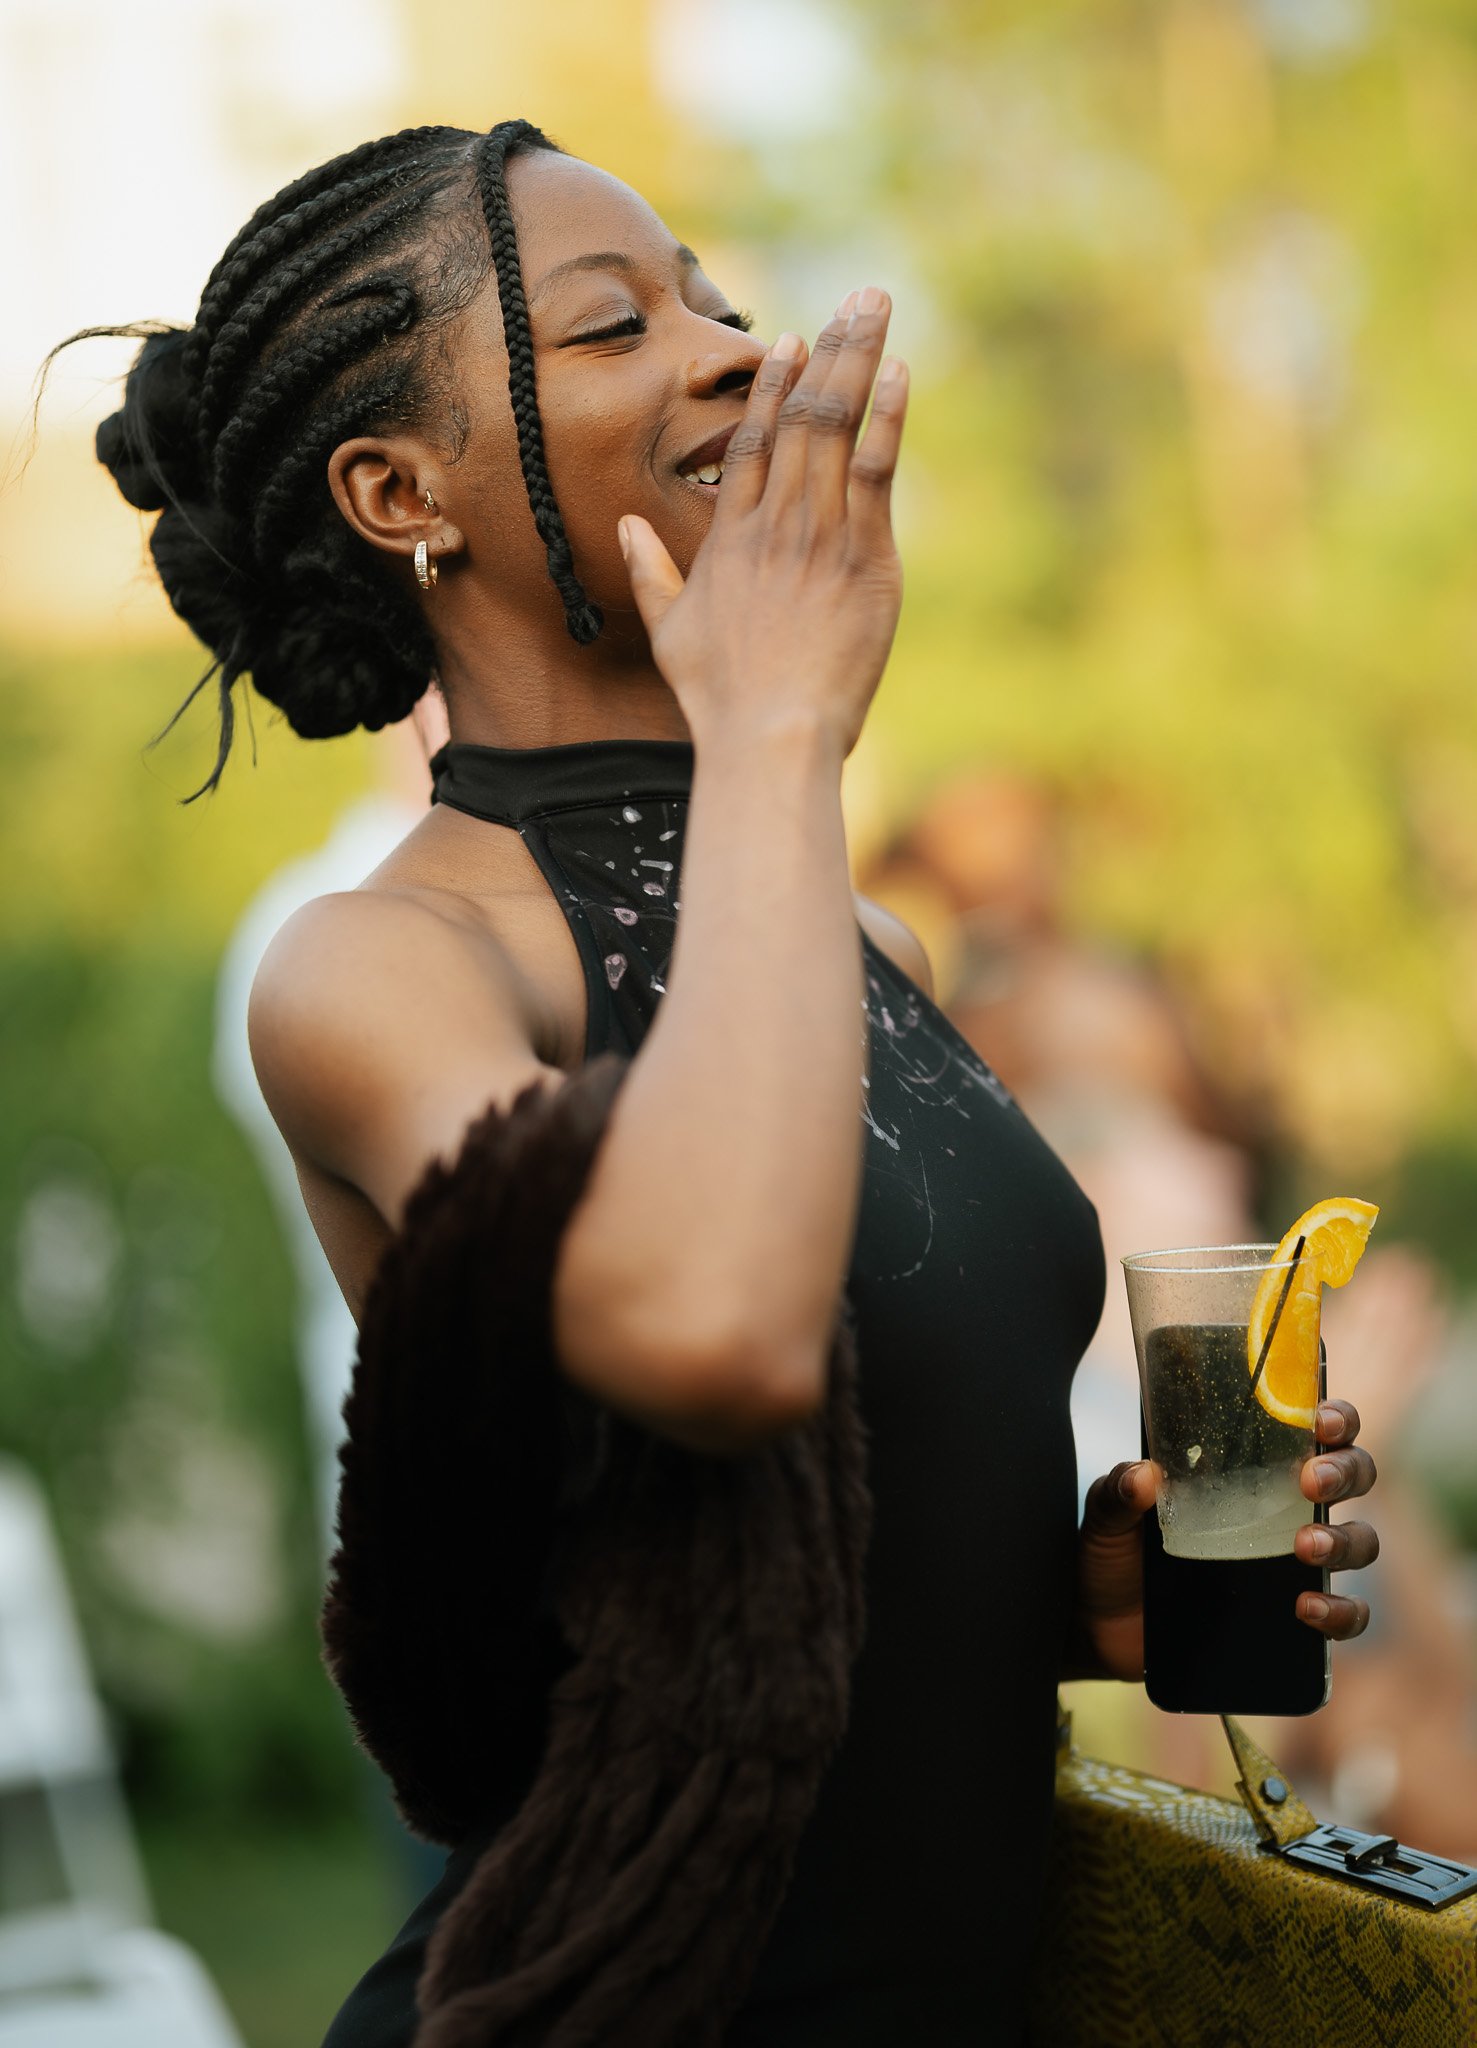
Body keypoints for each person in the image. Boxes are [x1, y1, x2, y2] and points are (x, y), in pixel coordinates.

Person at [62, 116, 1382, 2047]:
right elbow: (715, 1334)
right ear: (394, 488)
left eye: (721, 301)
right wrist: (775, 730)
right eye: (614, 329)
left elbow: (795, 1549)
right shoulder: (383, 970)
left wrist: (1071, 1596)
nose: (732, 353)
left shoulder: (865, 949)